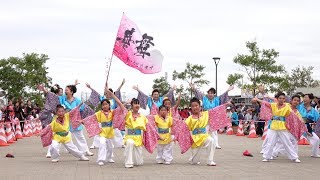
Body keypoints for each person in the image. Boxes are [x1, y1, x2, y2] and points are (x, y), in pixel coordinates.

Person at [254, 92, 301, 163]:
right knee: (270, 141)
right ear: (277, 99)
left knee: (287, 142)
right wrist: (257, 99)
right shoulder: (273, 105)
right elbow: (266, 103)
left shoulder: (287, 106)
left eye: (283, 98)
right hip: (273, 126)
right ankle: (267, 157)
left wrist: (298, 122)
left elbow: (292, 115)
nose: (282, 100)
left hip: (282, 126)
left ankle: (294, 157)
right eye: (280, 98)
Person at [190, 84, 234, 149]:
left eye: (212, 93)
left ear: (214, 94)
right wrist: (194, 88)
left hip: (214, 117)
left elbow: (223, 96)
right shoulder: (204, 98)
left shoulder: (217, 99)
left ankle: (216, 144)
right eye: (209, 93)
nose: (210, 94)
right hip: (205, 116)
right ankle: (205, 144)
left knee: (214, 131)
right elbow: (198, 93)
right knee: (205, 130)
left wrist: (228, 90)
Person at [59, 85, 94, 156]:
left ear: (71, 92)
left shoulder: (77, 100)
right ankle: (72, 150)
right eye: (65, 90)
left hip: (76, 121)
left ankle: (86, 150)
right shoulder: (62, 99)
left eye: (67, 90)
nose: (65, 91)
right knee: (66, 136)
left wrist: (83, 119)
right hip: (66, 121)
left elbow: (83, 109)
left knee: (80, 137)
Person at [123, 98, 149, 168]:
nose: (137, 105)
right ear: (132, 105)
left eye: (138, 103)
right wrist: (126, 102)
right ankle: (128, 163)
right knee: (130, 143)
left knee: (139, 163)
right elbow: (120, 106)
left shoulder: (143, 117)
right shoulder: (128, 114)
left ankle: (131, 157)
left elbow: (149, 127)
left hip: (138, 139)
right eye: (135, 103)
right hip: (129, 137)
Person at [297, 93, 320, 158]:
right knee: (290, 139)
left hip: (307, 127)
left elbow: (316, 118)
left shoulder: (313, 110)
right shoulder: (299, 106)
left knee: (316, 139)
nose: (305, 99)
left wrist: (309, 114)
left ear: (310, 99)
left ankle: (314, 153)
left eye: (306, 97)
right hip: (297, 126)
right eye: (304, 97)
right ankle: (275, 152)